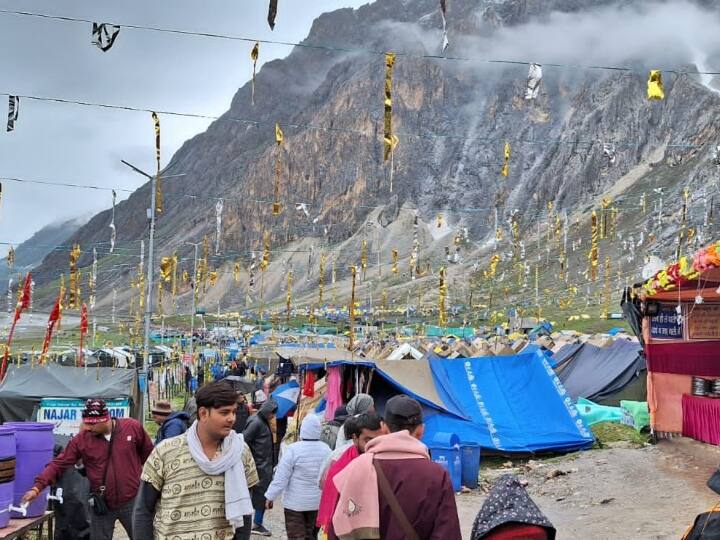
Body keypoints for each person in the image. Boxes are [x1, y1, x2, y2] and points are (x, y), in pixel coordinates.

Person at [133, 381, 259, 540]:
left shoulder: (240, 452)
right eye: (224, 412)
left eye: (234, 412)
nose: (231, 418)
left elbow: (245, 511)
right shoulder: (166, 451)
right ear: (203, 413)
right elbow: (143, 509)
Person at [332, 395, 461, 540]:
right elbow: (448, 533)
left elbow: (338, 528)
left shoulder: (357, 468)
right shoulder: (437, 475)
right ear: (421, 431)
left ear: (384, 428)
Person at [22, 398, 153, 540]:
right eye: (86, 423)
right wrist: (37, 488)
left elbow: (151, 456)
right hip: (101, 503)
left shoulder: (132, 428)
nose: (89, 428)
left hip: (132, 500)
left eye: (93, 424)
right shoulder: (82, 440)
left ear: (105, 419)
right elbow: (58, 464)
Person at [317, 412, 383, 539]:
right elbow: (333, 506)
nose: (373, 446)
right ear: (355, 438)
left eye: (379, 440)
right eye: (368, 440)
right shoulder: (341, 464)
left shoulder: (388, 461)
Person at [264, 414, 331, 540]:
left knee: (296, 536)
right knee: (311, 535)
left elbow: (281, 477)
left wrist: (270, 496)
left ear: (302, 430)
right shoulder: (326, 449)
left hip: (294, 504)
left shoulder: (293, 449)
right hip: (317, 503)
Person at [318, 394, 375, 486]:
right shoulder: (364, 424)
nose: (373, 408)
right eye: (372, 405)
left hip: (341, 467)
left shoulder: (347, 424)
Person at [243, 397, 278, 536]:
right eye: (272, 413)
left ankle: (255, 522)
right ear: (267, 411)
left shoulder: (261, 420)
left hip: (263, 464)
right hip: (259, 465)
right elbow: (245, 440)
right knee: (261, 495)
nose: (273, 416)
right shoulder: (256, 422)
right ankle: (256, 524)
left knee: (260, 495)